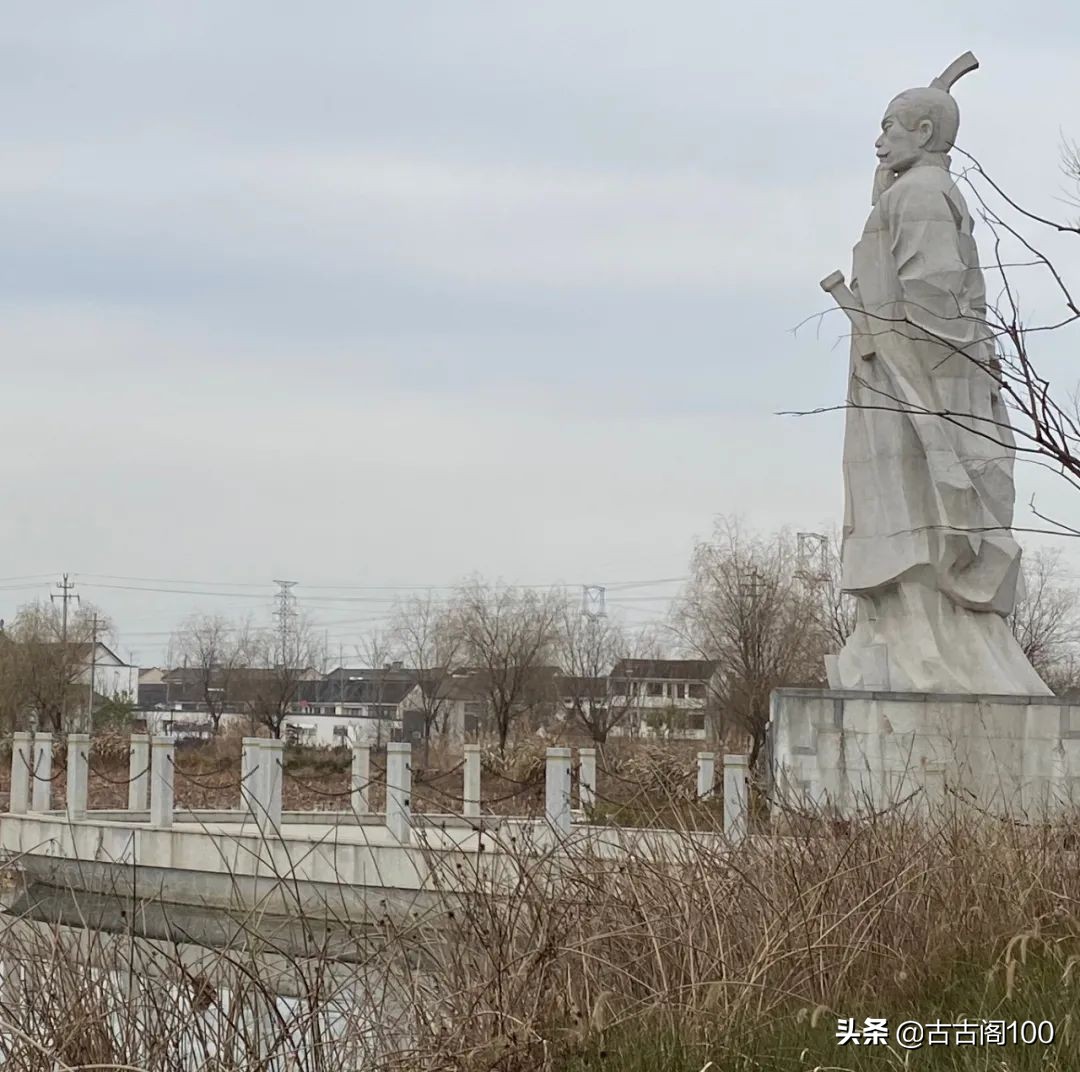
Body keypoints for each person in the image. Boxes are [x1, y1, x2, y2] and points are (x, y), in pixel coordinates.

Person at [828, 71, 1049, 694]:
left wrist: (929, 398)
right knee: (901, 511)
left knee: (925, 514)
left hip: (922, 384)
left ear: (923, 133)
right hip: (901, 379)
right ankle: (904, 635)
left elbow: (935, 297)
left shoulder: (922, 196)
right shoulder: (910, 193)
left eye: (889, 126)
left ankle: (934, 644)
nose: (878, 140)